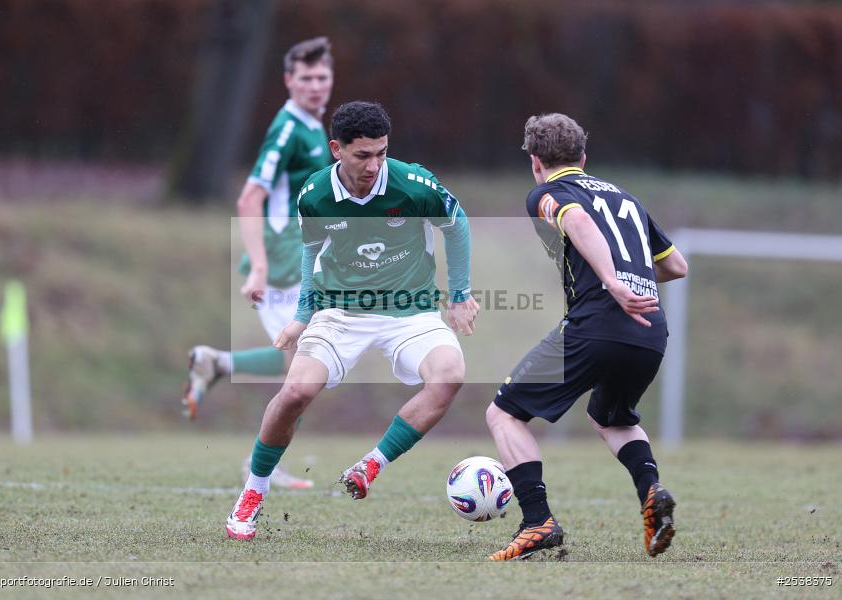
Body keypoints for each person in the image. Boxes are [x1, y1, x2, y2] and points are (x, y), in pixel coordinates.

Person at [225, 100, 480, 541]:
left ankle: (371, 465)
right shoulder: (315, 195)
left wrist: (459, 294)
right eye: (363, 155)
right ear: (336, 149)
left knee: (450, 373)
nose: (374, 165)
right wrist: (303, 316)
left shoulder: (415, 184)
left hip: (410, 309)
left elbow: (457, 225)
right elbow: (311, 254)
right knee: (295, 393)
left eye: (381, 153)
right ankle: (253, 492)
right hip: (340, 310)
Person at [486, 113, 689, 561]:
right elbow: (676, 267)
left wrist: (613, 281)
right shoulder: (626, 198)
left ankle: (537, 521)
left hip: (598, 321)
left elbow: (575, 220)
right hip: (650, 329)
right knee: (612, 417)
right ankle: (651, 492)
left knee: (503, 414)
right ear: (583, 156)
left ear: (535, 161)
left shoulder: (546, 192)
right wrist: (631, 279)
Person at [182, 37, 334, 490]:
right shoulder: (288, 128)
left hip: (301, 259)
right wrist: (261, 268)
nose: (315, 85)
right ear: (288, 80)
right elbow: (250, 196)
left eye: (322, 77)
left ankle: (217, 364)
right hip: (283, 265)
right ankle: (258, 465)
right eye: (305, 78)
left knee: (303, 367)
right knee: (308, 368)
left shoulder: (310, 125)